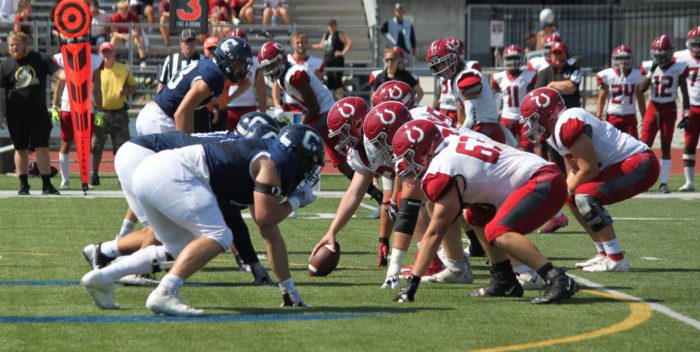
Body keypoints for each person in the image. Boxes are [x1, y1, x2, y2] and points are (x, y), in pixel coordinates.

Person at [81, 125, 323, 315]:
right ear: (297, 157)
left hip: (153, 170)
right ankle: (165, 292)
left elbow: (270, 234)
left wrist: (289, 291)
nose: (310, 172)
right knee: (220, 235)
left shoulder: (264, 158)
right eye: (310, 163)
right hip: (170, 172)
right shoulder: (270, 164)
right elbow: (265, 217)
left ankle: (102, 278)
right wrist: (296, 201)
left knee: (177, 248)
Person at [391, 119, 577, 304]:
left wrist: (413, 281)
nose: (405, 166)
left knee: (497, 231)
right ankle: (505, 280)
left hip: (543, 181)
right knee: (476, 216)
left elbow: (435, 232)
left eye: (409, 157)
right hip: (540, 176)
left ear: (426, 150)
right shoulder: (452, 143)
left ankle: (558, 279)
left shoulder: (441, 169)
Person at [520, 87, 659, 272]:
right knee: (573, 198)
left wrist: (560, 195)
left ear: (549, 113)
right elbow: (577, 168)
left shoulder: (567, 124)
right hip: (620, 164)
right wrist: (562, 192)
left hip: (640, 163)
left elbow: (589, 170)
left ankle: (616, 257)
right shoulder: (557, 131)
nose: (531, 127)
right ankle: (603, 253)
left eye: (535, 119)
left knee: (584, 196)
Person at [311, 98, 398, 267]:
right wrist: (332, 232)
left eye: (344, 132)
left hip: (430, 172)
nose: (342, 139)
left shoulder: (383, 138)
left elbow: (407, 180)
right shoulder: (361, 149)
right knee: (400, 205)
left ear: (358, 124)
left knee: (408, 204)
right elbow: (354, 193)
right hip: (412, 177)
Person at [0, 31, 65, 195]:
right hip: (15, 114)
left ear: (25, 44)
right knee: (20, 148)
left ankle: (47, 185)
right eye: (11, 45)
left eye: (17, 44)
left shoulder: (41, 58)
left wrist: (73, 74)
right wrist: (1, 114)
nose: (14, 47)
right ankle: (23, 185)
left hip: (38, 113)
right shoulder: (5, 65)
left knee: (41, 147)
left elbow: (60, 75)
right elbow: (0, 93)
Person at [638, 34, 690, 193]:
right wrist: (651, 72)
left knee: (666, 146)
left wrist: (686, 113)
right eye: (657, 55)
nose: (660, 58)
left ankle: (664, 183)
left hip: (669, 108)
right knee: (643, 146)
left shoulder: (679, 67)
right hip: (653, 107)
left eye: (663, 55)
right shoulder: (648, 66)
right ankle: (641, 181)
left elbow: (684, 91)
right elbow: (640, 90)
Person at [51, 45, 105, 189]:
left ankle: (85, 178)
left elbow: (98, 85)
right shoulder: (63, 57)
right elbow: (59, 82)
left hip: (87, 106)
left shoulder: (94, 59)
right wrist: (55, 106)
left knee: (86, 144)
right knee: (66, 142)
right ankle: (65, 180)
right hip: (67, 105)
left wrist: (99, 109)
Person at [90, 42, 135, 187]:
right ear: (99, 53)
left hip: (119, 113)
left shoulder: (123, 69)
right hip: (100, 113)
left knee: (122, 148)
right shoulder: (95, 70)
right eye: (103, 52)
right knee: (96, 146)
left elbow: (133, 87)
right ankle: (94, 173)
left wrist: (126, 92)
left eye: (108, 51)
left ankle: (122, 176)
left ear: (114, 52)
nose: (106, 55)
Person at [157, 29, 213, 133]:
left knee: (201, 143)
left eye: (192, 42)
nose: (189, 45)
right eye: (187, 42)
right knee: (178, 144)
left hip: (199, 111)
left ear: (195, 43)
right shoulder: (171, 60)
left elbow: (209, 86)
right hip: (176, 111)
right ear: (181, 43)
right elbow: (162, 84)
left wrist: (213, 107)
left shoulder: (204, 60)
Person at [491, 45, 538, 152]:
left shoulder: (530, 75)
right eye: (510, 58)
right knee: (504, 148)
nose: (512, 61)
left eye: (515, 58)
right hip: (506, 117)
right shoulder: (498, 77)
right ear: (504, 59)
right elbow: (494, 91)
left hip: (524, 117)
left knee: (528, 148)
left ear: (521, 59)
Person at [220, 29, 266, 132]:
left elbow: (261, 92)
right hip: (228, 109)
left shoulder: (254, 62)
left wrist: (262, 115)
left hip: (248, 108)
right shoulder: (223, 61)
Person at [273, 31, 325, 122]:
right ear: (292, 44)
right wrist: (277, 105)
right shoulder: (285, 61)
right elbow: (276, 85)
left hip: (309, 107)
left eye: (303, 42)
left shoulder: (316, 63)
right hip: (289, 106)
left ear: (307, 43)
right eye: (298, 42)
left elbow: (317, 85)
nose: (300, 45)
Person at [595, 45, 646, 139]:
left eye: (625, 58)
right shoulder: (607, 75)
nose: (622, 61)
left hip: (630, 115)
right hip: (613, 115)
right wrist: (599, 115)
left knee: (632, 145)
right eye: (619, 58)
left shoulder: (637, 75)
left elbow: (640, 98)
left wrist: (644, 117)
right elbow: (602, 97)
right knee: (611, 144)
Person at [673, 27, 700, 192]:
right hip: (691, 106)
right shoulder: (680, 57)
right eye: (695, 44)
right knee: (689, 142)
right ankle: (689, 181)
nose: (697, 48)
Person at [313, 19, 352, 98]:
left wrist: (342, 53)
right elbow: (321, 45)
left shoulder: (339, 34)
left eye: (333, 25)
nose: (331, 27)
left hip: (337, 61)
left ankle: (339, 100)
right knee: (329, 81)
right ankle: (331, 101)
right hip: (328, 61)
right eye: (330, 26)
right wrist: (309, 46)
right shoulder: (326, 34)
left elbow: (349, 42)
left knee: (337, 81)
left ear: (336, 26)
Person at [110, 1, 148, 68]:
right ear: (118, 10)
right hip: (120, 38)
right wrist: (123, 36)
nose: (124, 11)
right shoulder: (115, 17)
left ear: (128, 9)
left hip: (131, 37)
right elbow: (114, 32)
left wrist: (130, 36)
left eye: (125, 9)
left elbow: (138, 31)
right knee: (113, 40)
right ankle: (110, 59)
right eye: (121, 9)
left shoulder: (133, 16)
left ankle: (142, 60)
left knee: (139, 39)